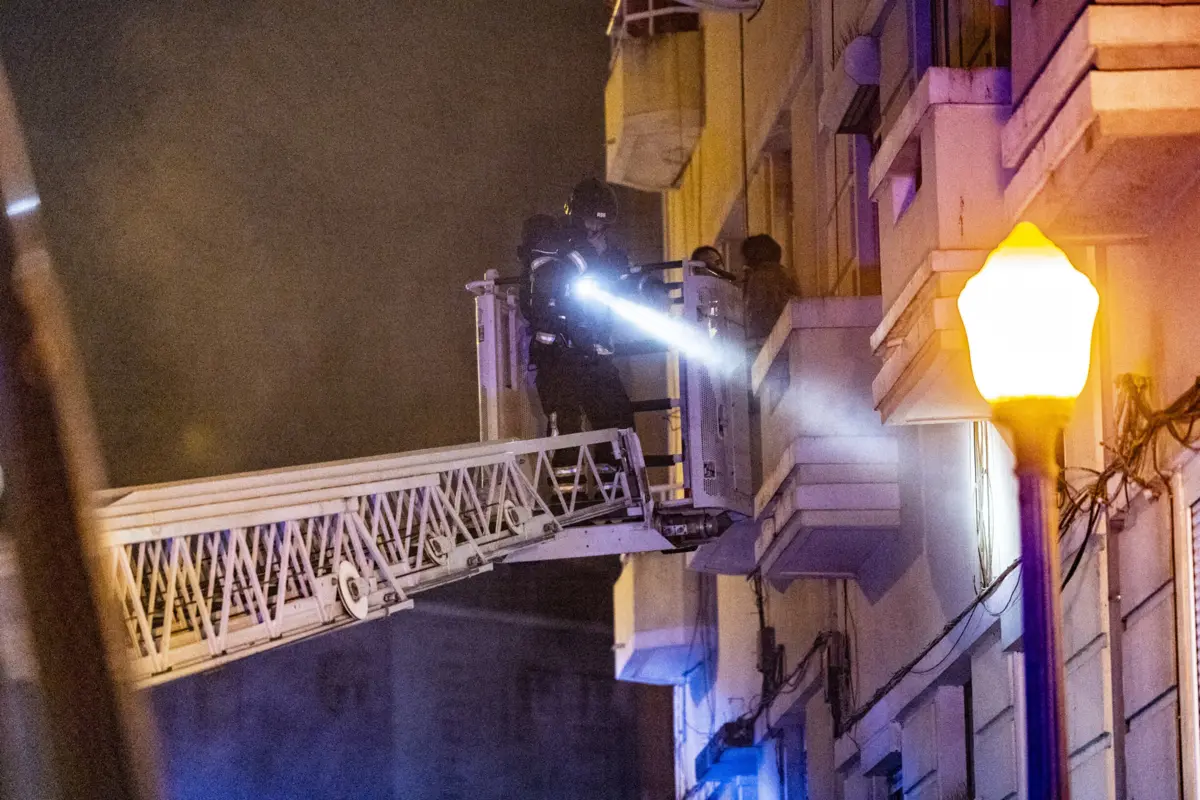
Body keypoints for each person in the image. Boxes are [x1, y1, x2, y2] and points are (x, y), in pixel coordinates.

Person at [519, 179, 635, 480]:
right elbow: (542, 288)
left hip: (595, 352)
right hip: (558, 353)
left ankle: (614, 489)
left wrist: (633, 280)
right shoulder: (552, 241)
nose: (595, 229)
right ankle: (566, 495)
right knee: (566, 424)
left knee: (616, 418)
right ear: (574, 214)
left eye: (601, 224)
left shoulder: (609, 252)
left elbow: (623, 288)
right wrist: (584, 258)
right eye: (589, 221)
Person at [740, 233, 796, 344]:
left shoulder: (759, 278)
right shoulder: (788, 275)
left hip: (767, 342)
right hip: (790, 337)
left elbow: (755, 315)